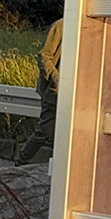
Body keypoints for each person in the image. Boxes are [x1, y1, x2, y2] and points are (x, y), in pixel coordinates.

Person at [17, 18, 63, 165]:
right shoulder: (60, 26)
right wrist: (56, 78)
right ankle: (21, 162)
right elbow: (44, 56)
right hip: (55, 92)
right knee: (44, 131)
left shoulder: (91, 29)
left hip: (79, 92)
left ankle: (64, 168)